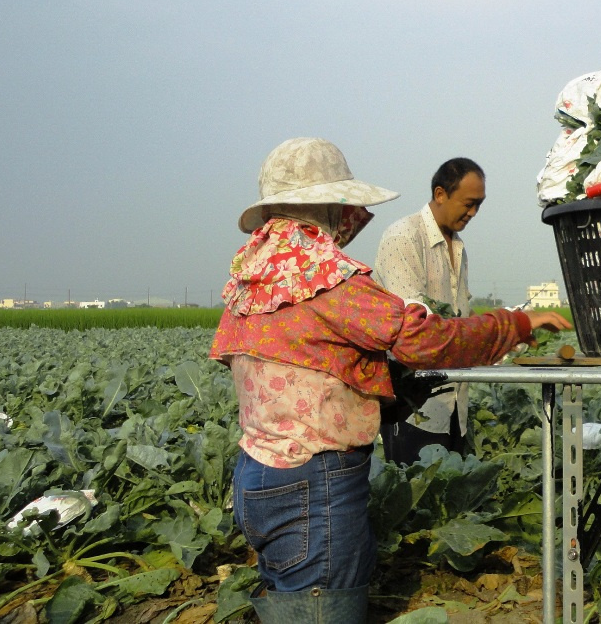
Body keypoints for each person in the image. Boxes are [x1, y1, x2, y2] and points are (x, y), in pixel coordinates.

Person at [210, 138, 569, 623]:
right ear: (331, 206)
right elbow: (423, 340)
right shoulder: (325, 278)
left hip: (256, 476)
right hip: (315, 482)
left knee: (287, 605)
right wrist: (515, 325)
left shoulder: (250, 280)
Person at [373, 158, 487, 463]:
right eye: (468, 203)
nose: (473, 212)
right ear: (440, 194)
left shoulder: (459, 247)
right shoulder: (403, 238)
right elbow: (413, 327)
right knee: (412, 500)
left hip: (454, 406)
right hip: (413, 408)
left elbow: (457, 318)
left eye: (479, 204)